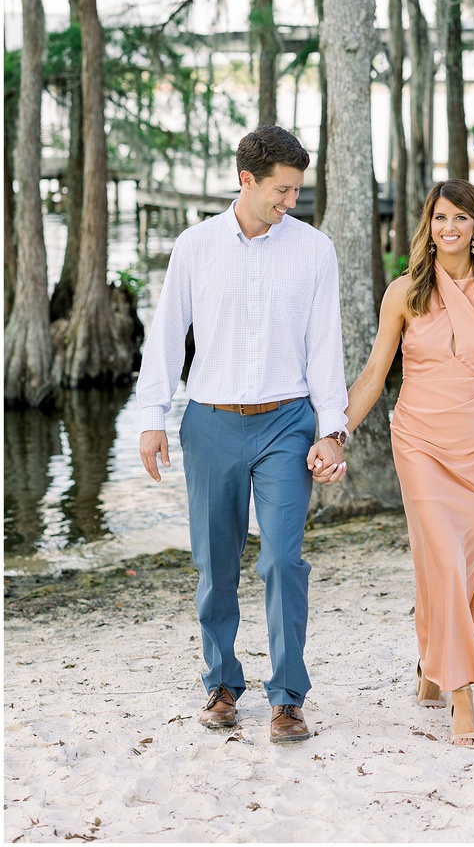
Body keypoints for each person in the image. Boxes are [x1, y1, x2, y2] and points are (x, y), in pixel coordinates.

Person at [137, 125, 349, 745]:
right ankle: (222, 683)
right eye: (281, 190)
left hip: (288, 421)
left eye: (297, 191)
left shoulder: (314, 250)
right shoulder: (196, 246)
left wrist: (332, 430)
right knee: (215, 565)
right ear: (246, 180)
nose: (291, 202)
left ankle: (287, 697)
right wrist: (154, 417)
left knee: (283, 559)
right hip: (210, 421)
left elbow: (325, 348)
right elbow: (168, 335)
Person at [345, 180, 474, 749]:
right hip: (420, 442)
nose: (450, 228)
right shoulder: (404, 292)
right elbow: (376, 373)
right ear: (429, 224)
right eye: (441, 217)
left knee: (458, 569)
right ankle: (462, 696)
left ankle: (430, 666)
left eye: (461, 218)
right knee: (445, 561)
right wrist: (336, 433)